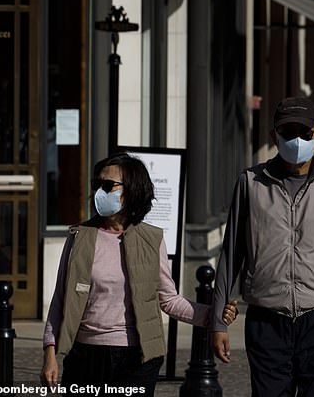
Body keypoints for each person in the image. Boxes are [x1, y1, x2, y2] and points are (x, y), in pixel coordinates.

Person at [40, 153, 238, 395]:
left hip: (137, 358)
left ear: (132, 189)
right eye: (97, 185)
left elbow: (169, 300)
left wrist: (214, 315)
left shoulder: (151, 239)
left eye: (108, 185)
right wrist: (50, 353)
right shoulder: (79, 236)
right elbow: (60, 299)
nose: (100, 192)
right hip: (85, 355)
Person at [211, 96, 314, 397]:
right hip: (267, 319)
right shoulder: (250, 183)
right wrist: (218, 321)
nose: (296, 140)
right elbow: (231, 254)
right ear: (274, 136)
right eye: (288, 132)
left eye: (304, 133)